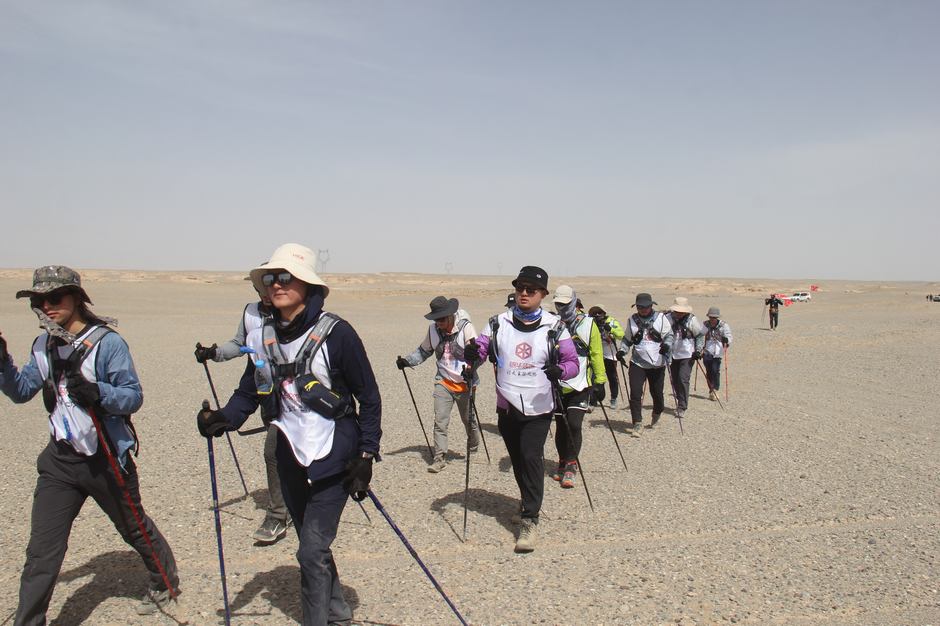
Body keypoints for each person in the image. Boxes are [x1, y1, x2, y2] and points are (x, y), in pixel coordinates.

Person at [195, 243, 381, 626]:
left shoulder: (338, 334)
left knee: (310, 551)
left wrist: (366, 455)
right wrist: (222, 419)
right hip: (289, 456)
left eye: (286, 277)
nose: (276, 284)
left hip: (335, 456)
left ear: (307, 285)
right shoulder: (262, 337)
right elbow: (250, 390)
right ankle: (338, 613)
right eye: (271, 278)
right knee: (312, 548)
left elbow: (369, 396)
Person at [0, 266, 179, 624]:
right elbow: (21, 391)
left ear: (76, 298)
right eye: (38, 301)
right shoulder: (42, 345)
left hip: (106, 460)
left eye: (54, 297)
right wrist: (2, 361)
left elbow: (133, 397)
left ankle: (166, 582)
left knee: (134, 528)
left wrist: (99, 393)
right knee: (42, 551)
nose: (46, 306)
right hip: (60, 462)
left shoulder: (107, 344)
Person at [464, 266, 578, 553]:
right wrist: (473, 354)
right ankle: (527, 500)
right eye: (519, 288)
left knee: (530, 456)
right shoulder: (497, 323)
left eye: (531, 289)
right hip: (507, 406)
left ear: (543, 294)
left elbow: (573, 363)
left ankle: (530, 519)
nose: (524, 293)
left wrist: (560, 370)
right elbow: (481, 348)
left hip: (538, 407)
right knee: (517, 459)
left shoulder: (555, 327)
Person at [194, 289, 293, 545]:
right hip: (267, 393)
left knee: (274, 452)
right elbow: (241, 352)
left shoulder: (296, 313)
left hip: (297, 396)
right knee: (282, 455)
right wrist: (221, 418)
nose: (268, 292)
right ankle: (292, 502)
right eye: (262, 287)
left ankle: (279, 515)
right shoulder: (251, 313)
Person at [396, 296, 480, 473]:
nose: (439, 323)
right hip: (443, 381)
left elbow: (477, 354)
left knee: (468, 420)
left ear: (450, 315)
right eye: (436, 319)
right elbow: (424, 351)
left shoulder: (466, 328)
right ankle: (439, 458)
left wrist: (471, 369)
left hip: (465, 383)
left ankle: (473, 446)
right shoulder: (433, 330)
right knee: (440, 421)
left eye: (441, 319)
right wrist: (407, 361)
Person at [551, 285, 606, 489]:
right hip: (558, 383)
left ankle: (571, 464)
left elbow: (596, 353)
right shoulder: (553, 323)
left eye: (565, 304)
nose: (562, 307)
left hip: (581, 383)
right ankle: (562, 460)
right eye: (558, 304)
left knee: (574, 424)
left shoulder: (589, 324)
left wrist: (600, 381)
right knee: (560, 425)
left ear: (574, 302)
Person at [618, 293, 674, 437]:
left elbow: (669, 335)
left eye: (646, 307)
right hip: (637, 362)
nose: (643, 310)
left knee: (657, 394)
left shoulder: (661, 318)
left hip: (657, 364)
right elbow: (627, 339)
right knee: (635, 393)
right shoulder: (632, 320)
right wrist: (622, 351)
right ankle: (637, 423)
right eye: (640, 307)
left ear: (651, 306)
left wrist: (667, 345)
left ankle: (657, 413)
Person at [665, 297, 704, 419]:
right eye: (677, 311)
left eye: (681, 311)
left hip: (688, 354)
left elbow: (699, 335)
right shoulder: (667, 318)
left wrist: (698, 350)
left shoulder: (692, 320)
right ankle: (680, 397)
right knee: (675, 380)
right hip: (672, 354)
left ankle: (682, 406)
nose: (679, 313)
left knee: (683, 379)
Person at [587, 304, 625, 408]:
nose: (597, 315)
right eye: (594, 313)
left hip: (610, 354)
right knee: (595, 377)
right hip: (596, 354)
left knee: (612, 377)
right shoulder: (590, 323)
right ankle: (593, 400)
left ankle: (613, 398)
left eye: (599, 313)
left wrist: (611, 329)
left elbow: (621, 335)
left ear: (604, 313)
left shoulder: (611, 321)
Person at [702, 307, 733, 401]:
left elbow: (729, 336)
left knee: (715, 371)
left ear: (717, 317)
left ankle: (715, 390)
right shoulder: (705, 324)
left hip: (718, 352)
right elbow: (700, 334)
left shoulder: (723, 325)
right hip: (707, 351)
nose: (712, 319)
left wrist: (727, 340)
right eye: (711, 317)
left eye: (714, 317)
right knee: (709, 371)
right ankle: (711, 390)